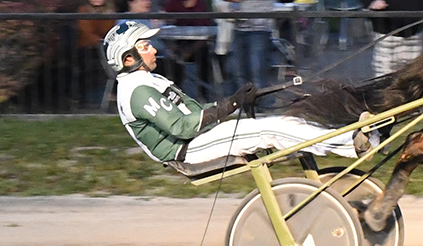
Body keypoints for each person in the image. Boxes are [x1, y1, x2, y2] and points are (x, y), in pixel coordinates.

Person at [103, 21, 373, 166]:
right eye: (145, 45)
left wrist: (235, 103)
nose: (153, 49)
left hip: (195, 139)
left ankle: (352, 135)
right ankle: (351, 144)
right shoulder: (137, 90)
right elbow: (183, 127)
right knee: (274, 130)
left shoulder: (147, 80)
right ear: (128, 58)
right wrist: (231, 103)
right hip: (186, 150)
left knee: (286, 123)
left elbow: (194, 112)